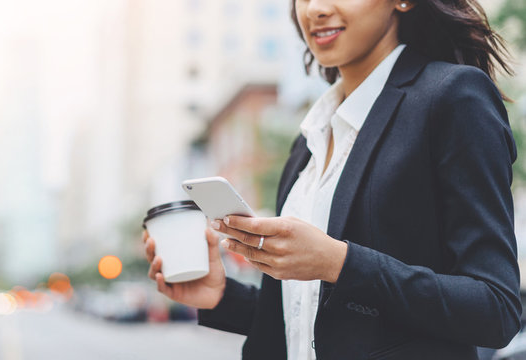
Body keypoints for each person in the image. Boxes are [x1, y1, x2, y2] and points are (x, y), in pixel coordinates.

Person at [142, 0, 522, 358]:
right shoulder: (307, 141)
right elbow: (314, 322)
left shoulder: (453, 97)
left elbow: (495, 308)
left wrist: (339, 263)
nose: (316, 10)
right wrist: (222, 295)